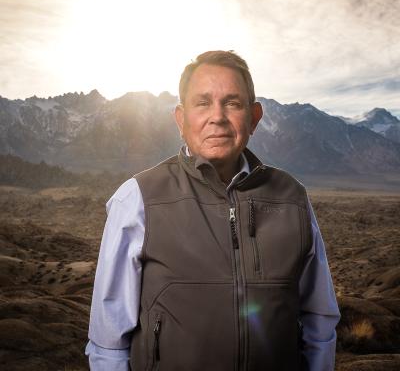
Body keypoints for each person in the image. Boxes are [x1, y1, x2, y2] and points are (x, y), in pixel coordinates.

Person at [85, 50, 341, 371]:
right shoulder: (137, 199)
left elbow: (319, 321)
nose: (217, 116)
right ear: (181, 119)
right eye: (202, 103)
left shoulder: (292, 197)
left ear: (254, 117)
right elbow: (108, 341)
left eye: (233, 103)